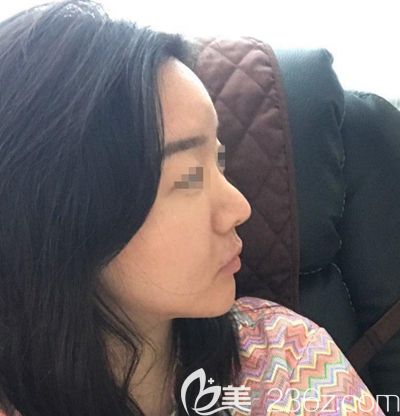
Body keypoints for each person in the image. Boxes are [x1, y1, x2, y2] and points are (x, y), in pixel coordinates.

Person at [0, 1, 386, 415]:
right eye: (188, 177)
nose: (239, 208)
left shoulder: (287, 357)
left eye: (219, 161)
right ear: (57, 214)